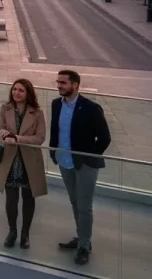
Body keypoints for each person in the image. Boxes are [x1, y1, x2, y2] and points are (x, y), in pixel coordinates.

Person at [50, 70, 111, 266]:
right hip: (64, 162)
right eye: (58, 82)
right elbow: (55, 130)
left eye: (63, 83)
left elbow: (105, 138)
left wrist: (88, 157)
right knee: (75, 202)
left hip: (84, 164)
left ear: (75, 85)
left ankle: (84, 245)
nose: (59, 86)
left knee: (84, 207)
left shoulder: (91, 108)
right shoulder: (56, 104)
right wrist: (53, 151)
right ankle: (82, 237)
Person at [0, 79, 48, 250]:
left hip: (29, 161)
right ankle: (12, 231)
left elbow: (40, 138)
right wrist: (4, 134)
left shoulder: (37, 113)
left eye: (21, 91)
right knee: (11, 199)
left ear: (28, 94)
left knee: (28, 199)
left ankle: (25, 234)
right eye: (14, 89)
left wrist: (17, 138)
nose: (16, 93)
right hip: (10, 160)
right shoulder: (5, 108)